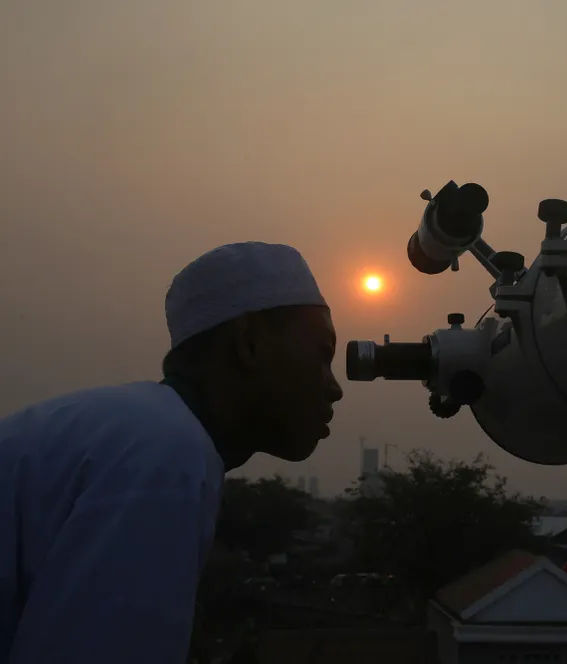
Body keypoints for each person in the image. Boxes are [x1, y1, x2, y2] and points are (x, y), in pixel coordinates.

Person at [0, 242, 344, 663]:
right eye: (323, 356)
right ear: (249, 344)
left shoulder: (142, 431)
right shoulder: (166, 455)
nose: (334, 387)